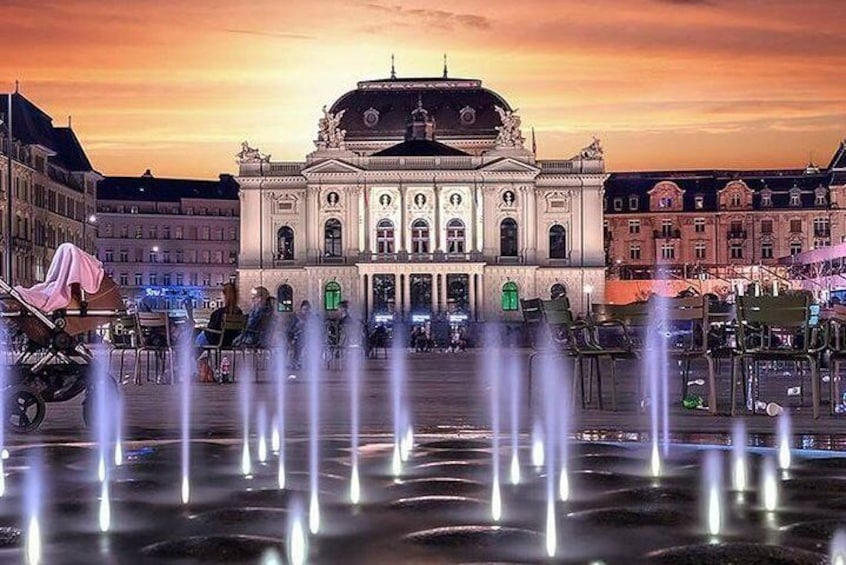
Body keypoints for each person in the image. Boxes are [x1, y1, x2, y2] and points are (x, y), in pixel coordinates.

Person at [194, 283, 242, 347]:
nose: (220, 296)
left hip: (215, 340)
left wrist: (203, 328)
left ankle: (189, 355)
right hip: (228, 341)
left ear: (225, 295)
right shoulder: (239, 312)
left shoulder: (219, 312)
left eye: (221, 294)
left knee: (195, 333)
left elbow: (211, 327)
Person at [287, 299, 313, 369]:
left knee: (301, 340)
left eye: (307, 310)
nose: (306, 312)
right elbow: (290, 329)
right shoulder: (296, 317)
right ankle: (295, 361)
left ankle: (296, 362)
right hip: (296, 337)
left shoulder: (311, 317)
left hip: (306, 337)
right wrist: (298, 326)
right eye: (304, 309)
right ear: (301, 309)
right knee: (298, 341)